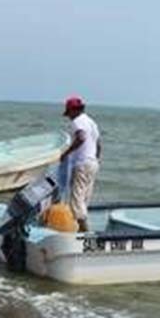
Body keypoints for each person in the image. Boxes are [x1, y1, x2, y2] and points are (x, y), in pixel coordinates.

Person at [59, 97, 101, 232]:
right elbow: (98, 144)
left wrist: (66, 153)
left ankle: (86, 235)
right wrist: (95, 159)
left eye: (69, 113)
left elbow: (81, 137)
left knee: (76, 201)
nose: (69, 117)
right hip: (93, 163)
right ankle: (79, 231)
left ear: (73, 110)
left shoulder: (77, 122)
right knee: (84, 200)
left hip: (82, 164)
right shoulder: (91, 122)